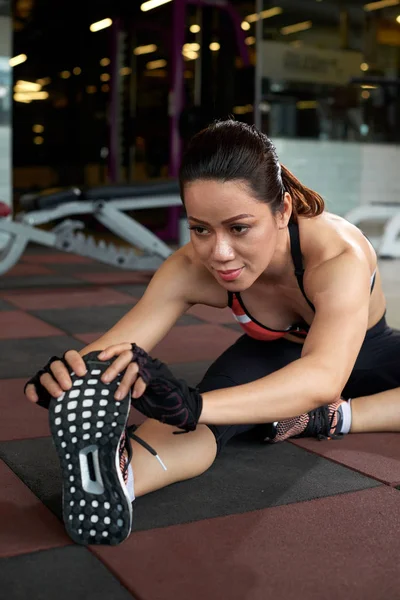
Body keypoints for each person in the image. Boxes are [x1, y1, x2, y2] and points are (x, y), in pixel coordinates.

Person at [24, 119, 400, 545]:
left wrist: (196, 403)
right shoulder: (190, 267)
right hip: (273, 353)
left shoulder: (337, 255)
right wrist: (73, 375)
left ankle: (333, 417)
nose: (219, 253)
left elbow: (323, 377)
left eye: (239, 228)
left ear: (283, 211)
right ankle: (122, 474)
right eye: (200, 229)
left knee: (203, 408)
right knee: (199, 424)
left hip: (367, 350)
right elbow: (119, 345)